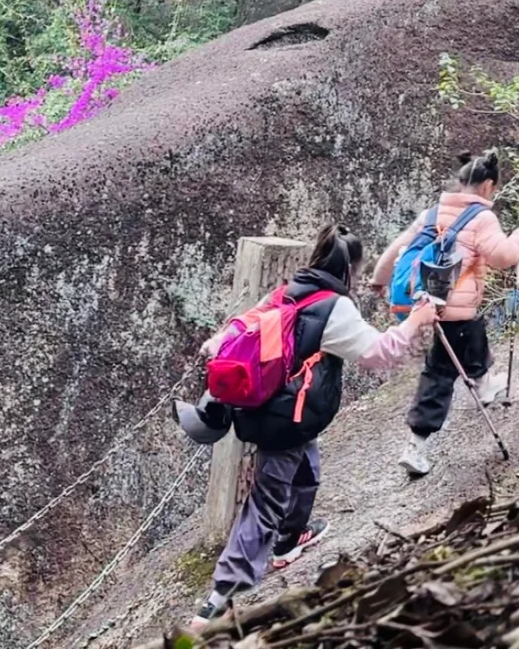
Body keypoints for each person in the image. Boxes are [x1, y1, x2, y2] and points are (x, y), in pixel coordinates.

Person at [174, 226, 436, 632]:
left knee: (305, 468)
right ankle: (219, 598)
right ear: (350, 269)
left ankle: (290, 538)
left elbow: (236, 331)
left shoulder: (286, 292)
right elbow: (379, 353)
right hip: (286, 417)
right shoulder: (335, 308)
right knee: (267, 499)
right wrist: (417, 319)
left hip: (270, 406)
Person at [371, 151, 519, 477]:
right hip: (454, 309)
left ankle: (484, 382)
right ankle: (416, 445)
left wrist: (379, 278)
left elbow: (401, 246)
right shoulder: (482, 218)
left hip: (427, 304)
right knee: (440, 372)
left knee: (471, 336)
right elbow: (502, 256)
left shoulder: (432, 213)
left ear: (461, 182)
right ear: (487, 185)